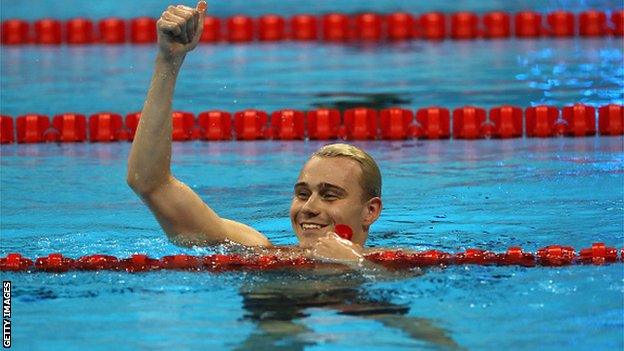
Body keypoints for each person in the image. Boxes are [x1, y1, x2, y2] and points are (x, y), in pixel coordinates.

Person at [127, 1, 383, 263]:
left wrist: (357, 264)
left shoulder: (401, 263)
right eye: (302, 194)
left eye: (330, 196)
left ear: (370, 211)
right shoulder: (260, 252)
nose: (308, 208)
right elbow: (151, 183)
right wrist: (168, 60)